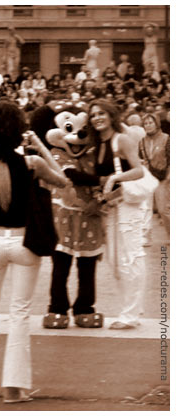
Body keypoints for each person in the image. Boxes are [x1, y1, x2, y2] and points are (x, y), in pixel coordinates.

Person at [0, 101, 68, 403]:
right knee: (19, 313)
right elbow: (62, 179)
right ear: (19, 130)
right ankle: (13, 387)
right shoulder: (32, 163)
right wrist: (39, 146)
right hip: (24, 240)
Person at [87, 99, 145, 329]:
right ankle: (132, 309)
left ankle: (131, 315)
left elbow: (139, 170)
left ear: (111, 115)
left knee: (130, 259)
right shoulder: (98, 142)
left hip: (127, 206)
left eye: (101, 113)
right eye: (93, 115)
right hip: (110, 208)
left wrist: (114, 180)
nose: (97, 118)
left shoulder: (121, 139)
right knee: (114, 261)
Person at [139, 113, 170, 245]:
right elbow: (139, 157)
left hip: (163, 178)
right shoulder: (142, 141)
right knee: (146, 208)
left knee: (163, 209)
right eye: (145, 123)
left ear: (157, 124)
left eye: (151, 122)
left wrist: (169, 176)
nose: (148, 125)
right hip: (147, 177)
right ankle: (146, 236)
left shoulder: (167, 139)